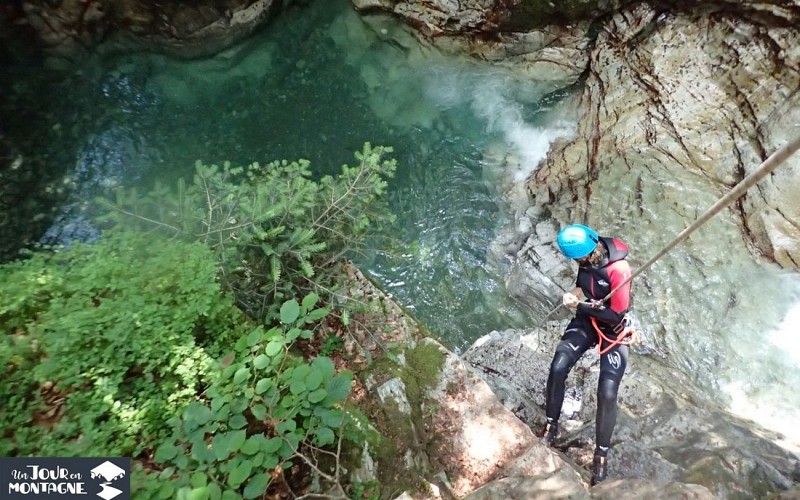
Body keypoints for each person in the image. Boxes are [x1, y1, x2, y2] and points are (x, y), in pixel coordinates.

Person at [541, 223, 634, 486]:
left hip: (612, 326)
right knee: (558, 366)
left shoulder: (619, 269)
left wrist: (581, 305)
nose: (578, 261)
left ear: (590, 248)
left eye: (579, 258)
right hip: (587, 319)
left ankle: (600, 455)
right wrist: (573, 295)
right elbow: (582, 284)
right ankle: (551, 425)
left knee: (607, 393)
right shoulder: (585, 257)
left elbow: (616, 313)